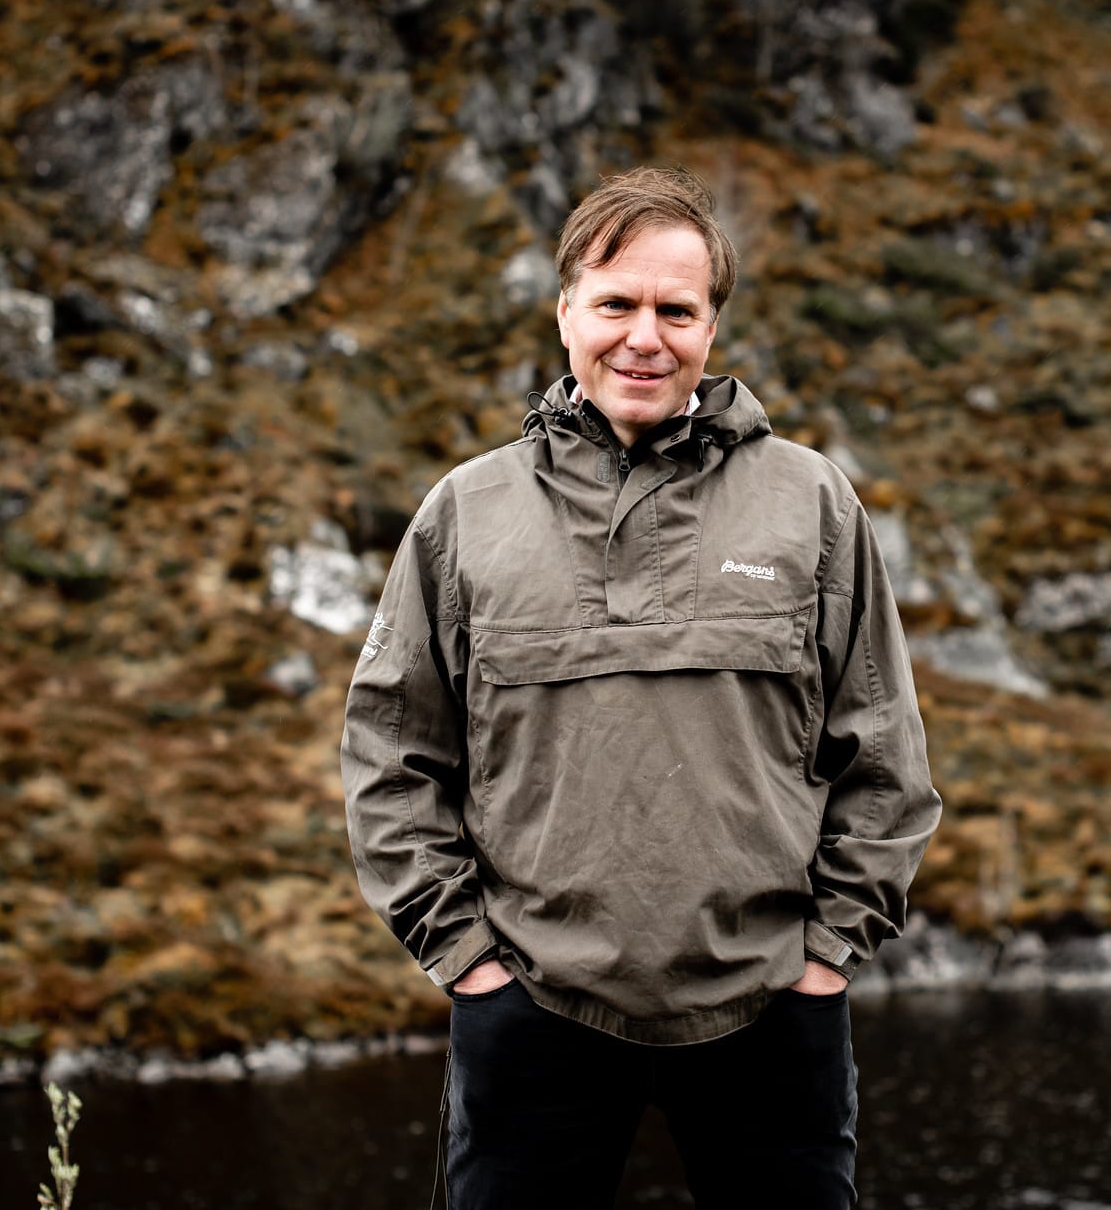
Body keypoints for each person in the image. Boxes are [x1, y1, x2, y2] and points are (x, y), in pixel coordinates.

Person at [340, 165, 941, 1208]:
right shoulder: (465, 513)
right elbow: (391, 753)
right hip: (532, 1014)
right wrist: (467, 959)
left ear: (712, 326)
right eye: (616, 303)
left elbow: (884, 752)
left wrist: (828, 956)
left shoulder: (809, 502)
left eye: (676, 310)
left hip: (771, 1013)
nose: (643, 338)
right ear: (565, 311)